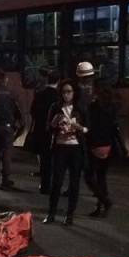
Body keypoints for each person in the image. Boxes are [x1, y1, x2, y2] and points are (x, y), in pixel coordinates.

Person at [44, 79, 88, 226]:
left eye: (69, 92)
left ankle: (70, 215)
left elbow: (88, 129)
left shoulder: (80, 108)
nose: (66, 95)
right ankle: (51, 213)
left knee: (74, 182)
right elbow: (48, 129)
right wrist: (54, 124)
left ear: (74, 93)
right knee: (56, 181)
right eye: (63, 92)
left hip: (75, 148)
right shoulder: (55, 107)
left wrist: (79, 127)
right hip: (60, 147)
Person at [85, 77, 124, 217]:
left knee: (89, 177)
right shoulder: (112, 107)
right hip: (108, 145)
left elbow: (90, 127)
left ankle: (104, 201)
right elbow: (115, 128)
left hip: (95, 145)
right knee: (101, 177)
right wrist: (122, 146)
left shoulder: (94, 107)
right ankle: (100, 207)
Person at [27, 70, 59, 194]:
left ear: (47, 80)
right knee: (55, 160)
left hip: (41, 130)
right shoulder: (58, 96)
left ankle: (44, 186)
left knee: (45, 159)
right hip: (55, 132)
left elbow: (33, 111)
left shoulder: (39, 94)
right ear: (58, 81)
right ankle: (53, 185)